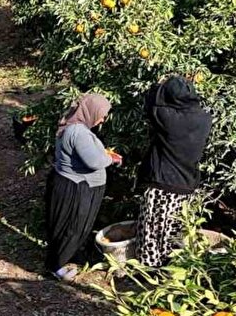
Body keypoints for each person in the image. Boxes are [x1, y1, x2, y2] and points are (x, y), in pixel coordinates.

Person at [134, 76, 212, 267]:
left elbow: (151, 103)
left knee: (152, 229)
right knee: (176, 229)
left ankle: (150, 270)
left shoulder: (168, 118)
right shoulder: (204, 117)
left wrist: (158, 85)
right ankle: (174, 268)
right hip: (187, 183)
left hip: (163, 182)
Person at [44, 94, 120, 281]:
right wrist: (111, 158)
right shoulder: (78, 132)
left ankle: (67, 256)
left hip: (76, 184)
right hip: (78, 187)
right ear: (90, 111)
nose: (102, 119)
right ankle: (56, 267)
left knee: (73, 225)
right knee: (73, 226)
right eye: (102, 115)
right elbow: (94, 161)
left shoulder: (74, 127)